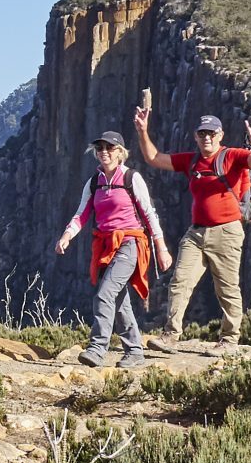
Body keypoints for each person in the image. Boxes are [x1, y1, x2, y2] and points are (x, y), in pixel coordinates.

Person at [134, 106, 251, 347]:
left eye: (211, 133)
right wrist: (143, 131)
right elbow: (154, 158)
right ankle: (171, 334)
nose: (206, 137)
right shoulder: (191, 161)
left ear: (220, 135)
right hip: (196, 232)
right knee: (179, 282)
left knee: (227, 287)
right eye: (202, 133)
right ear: (196, 136)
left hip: (227, 231)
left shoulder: (232, 156)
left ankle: (229, 340)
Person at [54, 131, 171, 368]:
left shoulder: (131, 178)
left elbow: (149, 213)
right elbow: (82, 214)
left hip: (130, 243)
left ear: (120, 153)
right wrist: (67, 235)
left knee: (105, 294)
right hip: (106, 245)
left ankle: (98, 348)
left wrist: (161, 247)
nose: (104, 152)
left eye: (109, 148)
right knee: (118, 299)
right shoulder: (94, 182)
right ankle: (135, 350)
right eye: (100, 148)